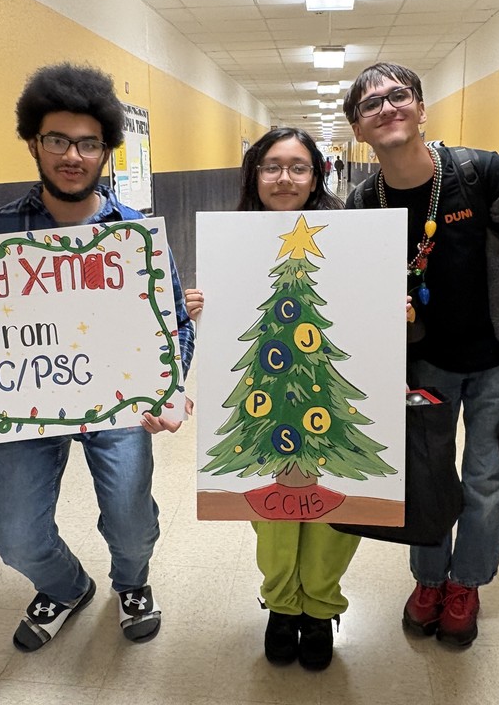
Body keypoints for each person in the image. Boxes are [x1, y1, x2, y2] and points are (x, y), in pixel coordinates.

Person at [0, 63, 195, 652]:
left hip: (116, 402)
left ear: (106, 151)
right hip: (23, 403)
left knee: (131, 521)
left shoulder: (133, 235)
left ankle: (133, 584)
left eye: (88, 143)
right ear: (33, 143)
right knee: (16, 536)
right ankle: (66, 586)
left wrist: (170, 387)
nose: (72, 155)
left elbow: (172, 322)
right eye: (57, 140)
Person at [342, 62, 499, 648]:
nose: (388, 108)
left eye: (399, 97)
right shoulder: (364, 202)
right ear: (358, 130)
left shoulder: (485, 173)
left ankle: (466, 584)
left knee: (488, 478)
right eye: (372, 105)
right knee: (426, 476)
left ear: (421, 108)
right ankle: (428, 581)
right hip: (422, 368)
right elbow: (354, 298)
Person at [184, 127, 354, 672]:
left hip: (330, 392)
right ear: (254, 175)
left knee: (334, 506)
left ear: (316, 175)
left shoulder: (351, 234)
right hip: (267, 397)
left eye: (298, 167)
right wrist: (196, 307)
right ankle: (283, 607)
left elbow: (360, 302)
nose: (285, 178)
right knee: (274, 509)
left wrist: (389, 309)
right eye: (272, 166)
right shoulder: (229, 240)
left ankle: (320, 608)